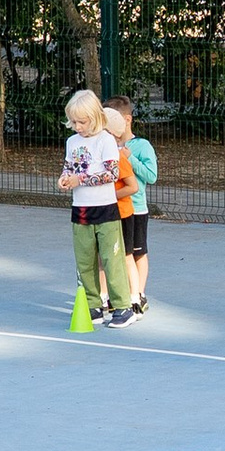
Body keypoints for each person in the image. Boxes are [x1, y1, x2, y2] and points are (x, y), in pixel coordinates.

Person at [61, 88, 129, 324]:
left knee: (112, 259)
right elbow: (69, 168)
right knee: (85, 261)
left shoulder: (105, 140)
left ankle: (122, 306)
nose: (77, 126)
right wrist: (64, 179)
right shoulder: (72, 142)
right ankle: (92, 305)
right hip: (80, 209)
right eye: (74, 122)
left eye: (82, 121)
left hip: (105, 209)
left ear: (95, 117)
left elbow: (112, 174)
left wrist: (80, 179)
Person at [106, 95, 156, 316]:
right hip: (112, 209)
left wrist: (130, 159)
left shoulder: (142, 146)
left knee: (137, 253)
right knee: (116, 253)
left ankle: (139, 294)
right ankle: (115, 295)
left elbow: (151, 176)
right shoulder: (106, 145)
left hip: (136, 209)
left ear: (127, 120)